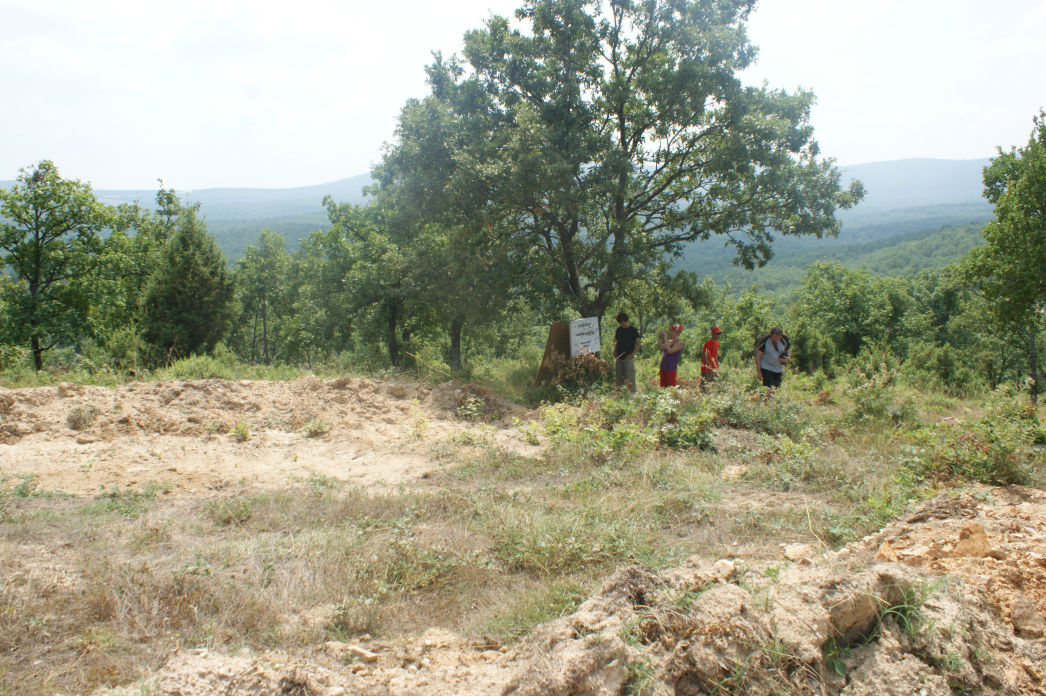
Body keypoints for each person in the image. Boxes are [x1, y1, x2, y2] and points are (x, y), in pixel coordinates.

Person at [755, 326, 791, 391]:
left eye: (778, 338)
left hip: (778, 368)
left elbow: (788, 349)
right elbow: (758, 356)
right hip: (766, 367)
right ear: (771, 335)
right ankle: (767, 400)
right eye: (774, 338)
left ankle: (767, 400)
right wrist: (759, 372)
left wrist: (788, 358)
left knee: (776, 389)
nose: (776, 339)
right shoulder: (765, 341)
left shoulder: (785, 339)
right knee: (769, 388)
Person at [613, 311, 641, 392]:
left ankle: (632, 394)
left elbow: (638, 344)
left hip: (628, 357)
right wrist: (615, 350)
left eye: (622, 323)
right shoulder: (619, 330)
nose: (621, 325)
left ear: (625, 321)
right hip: (619, 356)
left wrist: (632, 354)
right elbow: (617, 342)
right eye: (620, 323)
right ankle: (619, 393)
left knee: (630, 376)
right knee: (619, 376)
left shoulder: (633, 330)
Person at [657, 323, 684, 387]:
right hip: (663, 366)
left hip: (671, 368)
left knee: (671, 387)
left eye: (673, 331)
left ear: (677, 333)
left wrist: (666, 339)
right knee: (663, 387)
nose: (671, 332)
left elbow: (670, 351)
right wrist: (660, 338)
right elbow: (660, 347)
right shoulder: (669, 341)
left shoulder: (679, 343)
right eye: (671, 330)